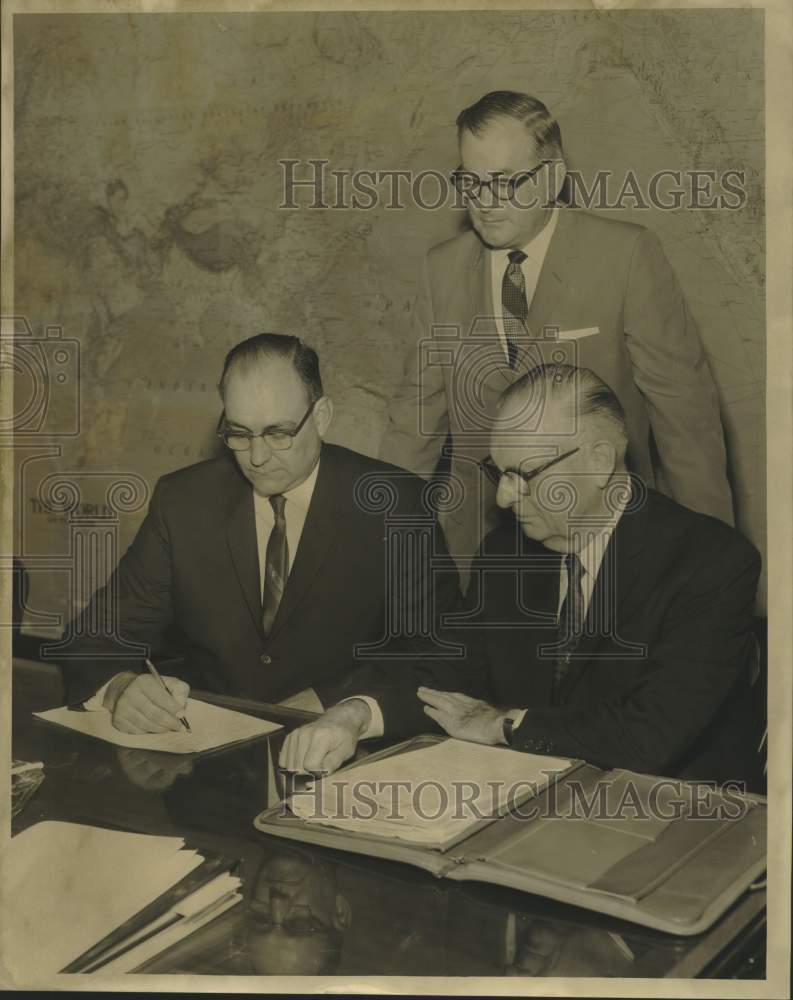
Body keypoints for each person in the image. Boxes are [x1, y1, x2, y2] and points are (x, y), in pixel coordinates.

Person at [282, 364, 761, 788]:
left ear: (598, 461)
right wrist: (355, 714)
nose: (506, 498)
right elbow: (448, 670)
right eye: (499, 472)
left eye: (525, 474)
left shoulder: (710, 563)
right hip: (536, 805)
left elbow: (649, 734)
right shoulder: (506, 555)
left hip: (676, 816)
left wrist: (504, 725)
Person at [380, 90, 734, 583]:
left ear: (551, 176)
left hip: (605, 546)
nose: (484, 202)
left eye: (504, 182)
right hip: (476, 558)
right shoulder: (439, 270)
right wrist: (373, 552)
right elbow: (412, 429)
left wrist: (715, 567)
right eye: (470, 182)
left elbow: (686, 426)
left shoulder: (627, 256)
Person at [61, 333, 459, 734]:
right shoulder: (183, 502)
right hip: (207, 764)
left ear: (321, 417)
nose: (256, 456)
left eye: (277, 433)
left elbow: (442, 659)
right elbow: (92, 637)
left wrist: (333, 701)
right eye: (239, 433)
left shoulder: (397, 506)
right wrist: (120, 688)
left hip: (343, 764)